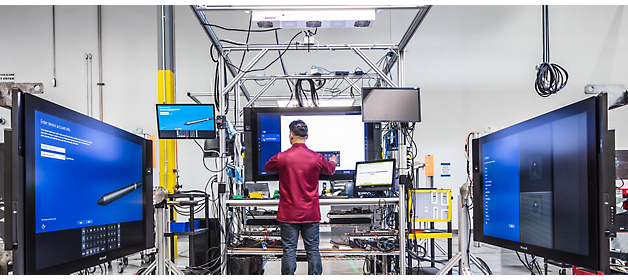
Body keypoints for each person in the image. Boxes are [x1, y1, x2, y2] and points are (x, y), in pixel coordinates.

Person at [264, 119, 338, 275]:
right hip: (310, 214)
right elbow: (330, 170)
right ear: (307, 136)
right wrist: (333, 161)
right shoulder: (316, 158)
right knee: (312, 250)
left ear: (291, 135)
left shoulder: (282, 157)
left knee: (289, 250)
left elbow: (267, 168)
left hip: (288, 214)